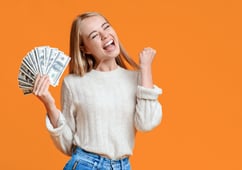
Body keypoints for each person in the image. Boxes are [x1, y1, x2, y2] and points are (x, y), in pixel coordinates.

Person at [33, 11, 163, 170]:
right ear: (84, 48)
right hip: (85, 164)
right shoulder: (74, 84)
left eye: (106, 27)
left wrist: (145, 69)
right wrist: (49, 104)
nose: (104, 35)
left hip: (123, 165)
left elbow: (146, 123)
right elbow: (67, 145)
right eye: (94, 35)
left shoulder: (137, 79)